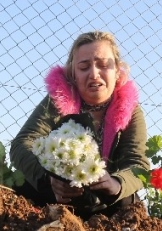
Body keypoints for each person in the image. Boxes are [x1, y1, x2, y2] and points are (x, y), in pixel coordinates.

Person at [11, 31, 149, 217]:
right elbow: (22, 143)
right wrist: (48, 178)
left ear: (117, 71)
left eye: (103, 65)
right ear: (73, 74)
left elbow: (137, 162)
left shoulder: (130, 109)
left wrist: (116, 184)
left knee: (129, 205)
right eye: (84, 67)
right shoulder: (57, 101)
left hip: (104, 203)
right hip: (55, 196)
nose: (94, 74)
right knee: (23, 191)